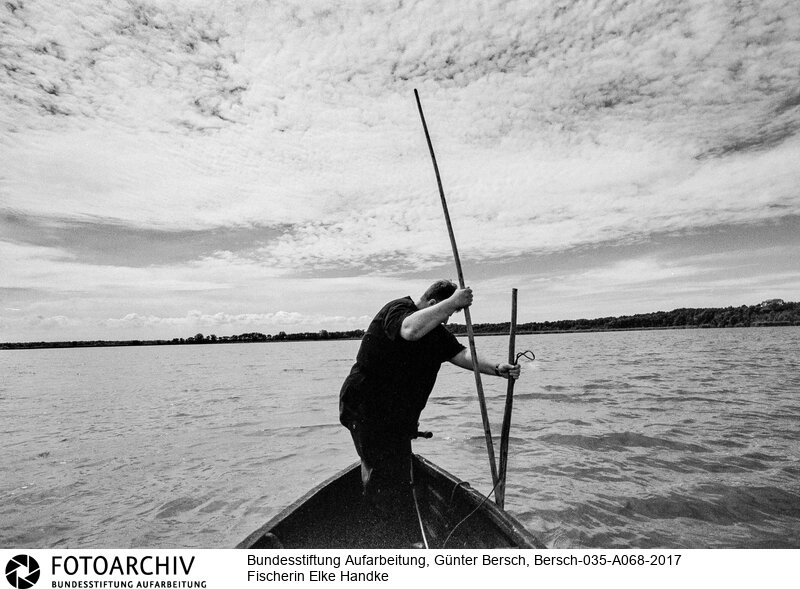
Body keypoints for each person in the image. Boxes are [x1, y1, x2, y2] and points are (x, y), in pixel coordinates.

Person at [338, 279, 521, 532]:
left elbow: (463, 355)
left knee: (398, 476)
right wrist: (454, 302)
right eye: (446, 313)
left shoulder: (436, 333)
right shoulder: (399, 310)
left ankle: (398, 528)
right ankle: (382, 537)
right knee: (383, 477)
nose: (445, 321)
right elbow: (410, 330)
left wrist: (498, 369)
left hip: (396, 419)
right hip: (365, 408)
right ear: (434, 303)